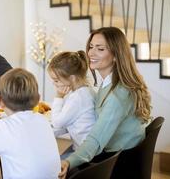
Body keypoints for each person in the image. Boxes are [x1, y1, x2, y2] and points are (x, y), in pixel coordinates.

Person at [59, 27, 151, 178]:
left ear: (116, 55)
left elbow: (96, 139)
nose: (91, 53)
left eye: (100, 49)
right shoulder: (112, 83)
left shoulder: (118, 94)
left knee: (56, 163)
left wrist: (68, 162)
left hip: (118, 163)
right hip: (122, 155)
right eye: (91, 47)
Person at [47, 51, 96, 157]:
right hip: (89, 148)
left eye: (56, 80)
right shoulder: (85, 91)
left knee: (52, 166)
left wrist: (59, 96)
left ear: (72, 78)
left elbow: (57, 123)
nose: (53, 83)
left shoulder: (78, 98)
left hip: (85, 153)